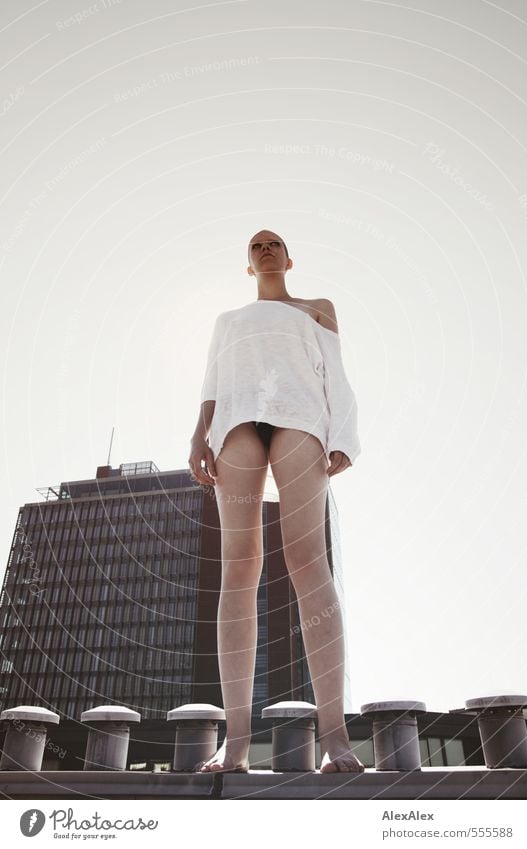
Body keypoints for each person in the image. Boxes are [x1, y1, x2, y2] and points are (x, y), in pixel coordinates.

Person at [188, 229, 364, 774]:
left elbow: (335, 371)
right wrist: (198, 436)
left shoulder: (317, 308)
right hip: (236, 420)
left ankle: (335, 739)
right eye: (255, 246)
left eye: (273, 244)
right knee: (239, 565)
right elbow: (213, 382)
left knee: (308, 561)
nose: (264, 249)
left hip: (301, 417)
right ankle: (235, 743)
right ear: (248, 266)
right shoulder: (228, 321)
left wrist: (345, 436)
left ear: (289, 258)